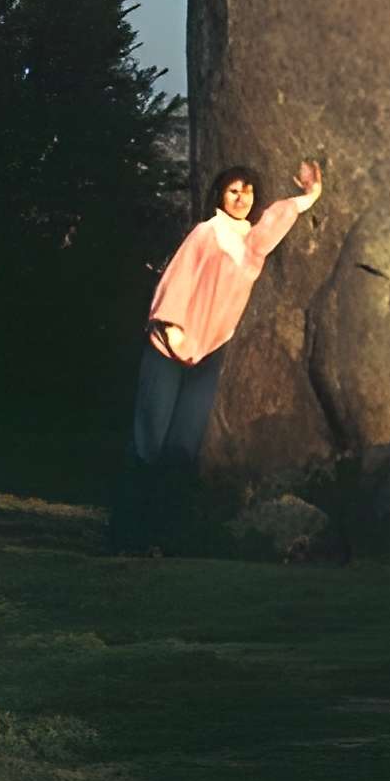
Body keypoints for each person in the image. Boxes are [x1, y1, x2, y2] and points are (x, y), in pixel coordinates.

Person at [107, 157, 323, 552]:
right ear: (220, 196)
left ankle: (163, 538)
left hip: (208, 354)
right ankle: (125, 537)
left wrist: (310, 195)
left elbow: (277, 218)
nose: (241, 197)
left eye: (248, 191)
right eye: (233, 190)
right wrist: (173, 330)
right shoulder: (208, 232)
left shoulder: (251, 246)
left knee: (184, 447)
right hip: (170, 348)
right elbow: (178, 277)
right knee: (149, 441)